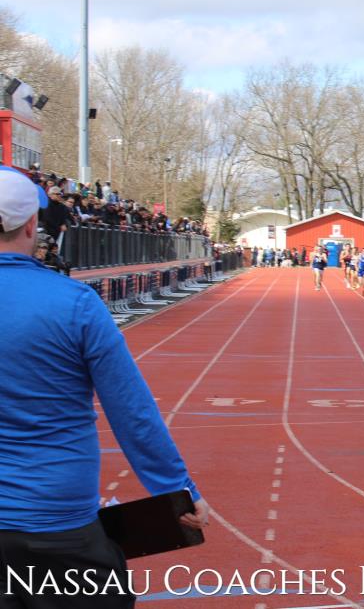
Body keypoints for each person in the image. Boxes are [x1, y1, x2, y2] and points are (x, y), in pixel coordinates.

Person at [0, 166, 208, 608]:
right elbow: (132, 412)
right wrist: (178, 490)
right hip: (58, 520)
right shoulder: (74, 304)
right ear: (33, 225)